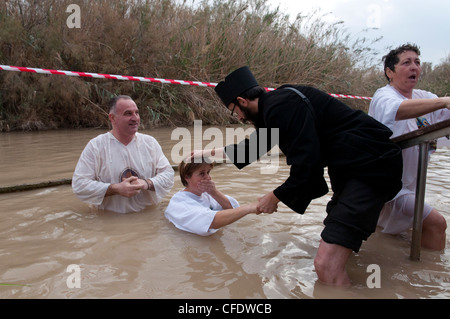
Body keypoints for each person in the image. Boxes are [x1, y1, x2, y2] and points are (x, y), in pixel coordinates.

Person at [193, 66, 403, 286]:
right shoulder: (274, 107)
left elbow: (307, 168)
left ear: (241, 101)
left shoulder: (282, 106)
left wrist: (273, 196)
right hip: (353, 169)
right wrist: (205, 154)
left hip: (370, 168)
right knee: (336, 235)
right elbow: (250, 149)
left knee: (326, 264)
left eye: (233, 111)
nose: (238, 117)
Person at [369, 43, 449, 250]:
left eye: (417, 62)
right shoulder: (384, 95)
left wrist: (442, 103)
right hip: (388, 187)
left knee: (392, 235)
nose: (414, 67)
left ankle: (408, 275)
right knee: (437, 223)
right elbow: (398, 110)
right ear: (390, 72)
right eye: (406, 63)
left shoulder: (425, 97)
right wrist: (443, 102)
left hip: (411, 187)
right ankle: (430, 277)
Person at [72, 95, 174, 213]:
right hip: (109, 221)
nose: (135, 118)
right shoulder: (96, 146)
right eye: (128, 113)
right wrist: (115, 189)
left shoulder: (150, 143)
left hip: (148, 216)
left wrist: (146, 183)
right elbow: (79, 185)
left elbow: (169, 175)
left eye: (137, 113)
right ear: (112, 118)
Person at [165, 157, 260, 236]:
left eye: (208, 172)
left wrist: (215, 192)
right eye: (202, 174)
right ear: (187, 177)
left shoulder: (207, 194)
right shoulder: (180, 203)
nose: (208, 178)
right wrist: (249, 208)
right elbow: (211, 222)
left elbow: (233, 209)